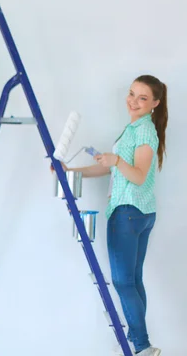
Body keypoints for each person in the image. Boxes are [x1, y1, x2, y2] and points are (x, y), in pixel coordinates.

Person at [60, 75, 167, 356]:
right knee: (133, 280)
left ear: (155, 103)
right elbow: (112, 169)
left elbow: (139, 176)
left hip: (128, 213)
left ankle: (142, 346)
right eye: (132, 94)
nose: (133, 101)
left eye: (142, 98)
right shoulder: (133, 130)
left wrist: (117, 160)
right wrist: (70, 173)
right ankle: (140, 341)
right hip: (138, 213)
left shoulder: (143, 131)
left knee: (123, 282)